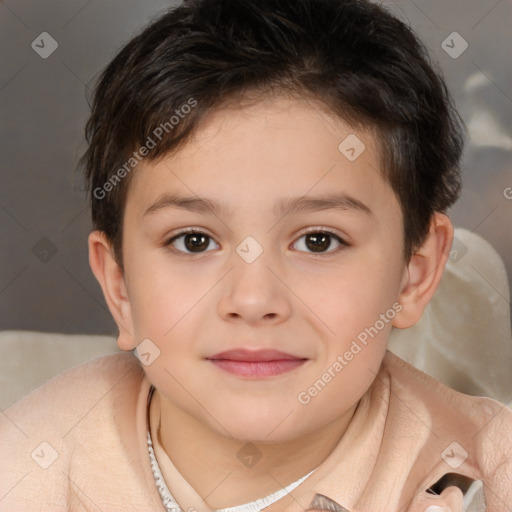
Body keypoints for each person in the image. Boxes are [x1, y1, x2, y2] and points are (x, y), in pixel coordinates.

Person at [1, 0, 510, 510]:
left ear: (413, 274)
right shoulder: (25, 469)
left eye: (318, 240)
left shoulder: (488, 474)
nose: (252, 299)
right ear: (119, 285)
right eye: (194, 241)